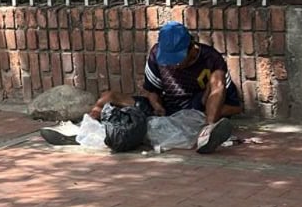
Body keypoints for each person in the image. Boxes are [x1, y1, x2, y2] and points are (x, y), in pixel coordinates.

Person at [86, 20, 242, 153]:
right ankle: (87, 126)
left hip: (198, 107)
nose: (172, 65)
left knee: (214, 85)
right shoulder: (156, 54)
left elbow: (229, 101)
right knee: (109, 97)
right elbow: (152, 90)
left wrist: (208, 118)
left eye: (177, 60)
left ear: (191, 48)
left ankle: (209, 132)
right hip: (168, 107)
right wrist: (157, 106)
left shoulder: (211, 58)